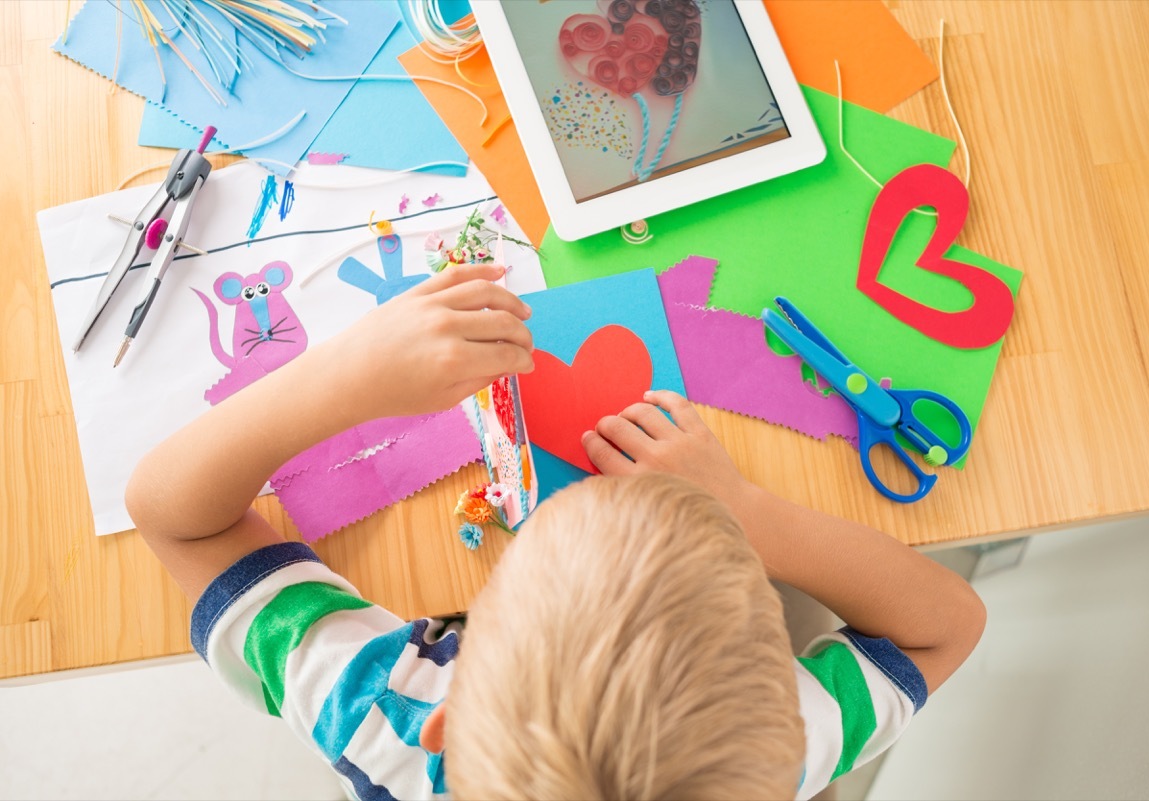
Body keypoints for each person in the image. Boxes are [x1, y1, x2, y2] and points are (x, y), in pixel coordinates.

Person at [126, 264, 985, 800]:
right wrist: (745, 513)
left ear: (444, 717)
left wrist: (343, 377)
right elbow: (949, 624)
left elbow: (177, 518)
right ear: (780, 699)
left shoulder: (379, 718)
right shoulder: (769, 755)